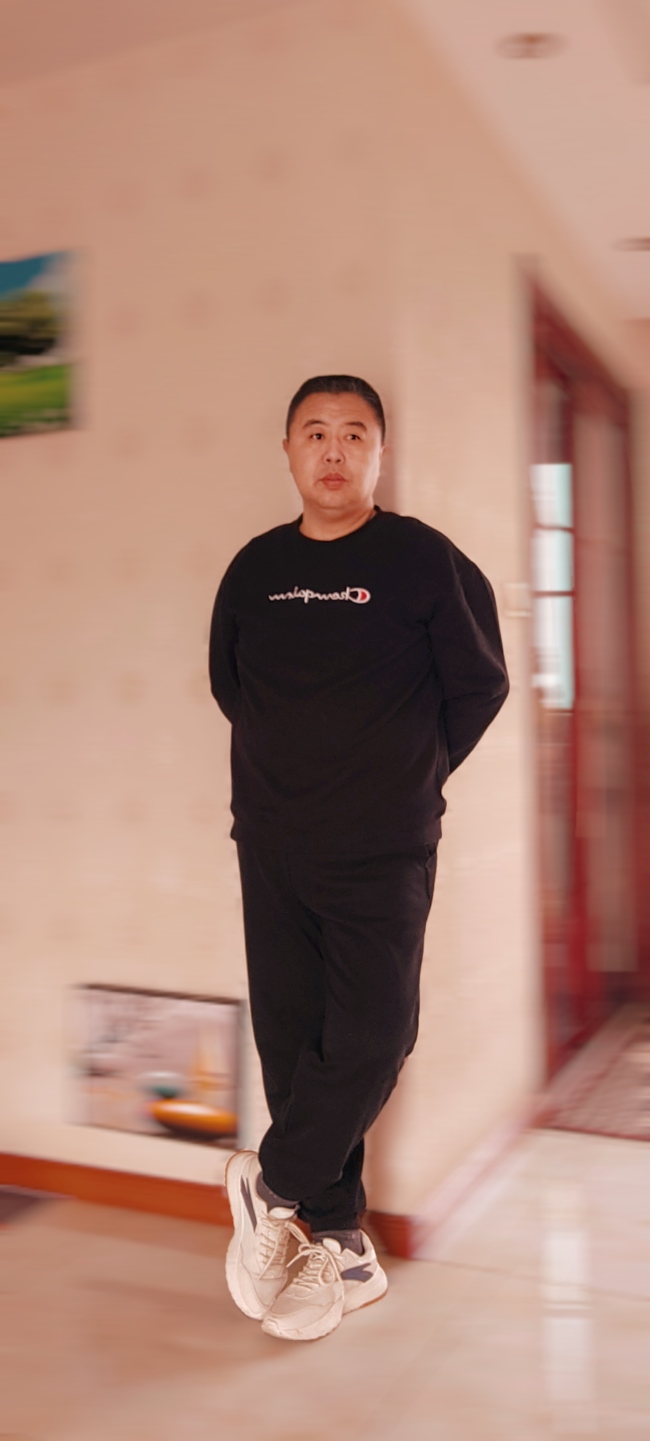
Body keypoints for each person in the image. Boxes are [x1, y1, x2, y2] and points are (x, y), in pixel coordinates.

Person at [209, 374, 509, 1342]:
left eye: (352, 433)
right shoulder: (255, 568)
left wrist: (402, 772)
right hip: (271, 838)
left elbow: (478, 685)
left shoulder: (421, 559)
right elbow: (231, 685)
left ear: (379, 453)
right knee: (294, 1043)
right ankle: (338, 1242)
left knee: (376, 1033)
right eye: (314, 432)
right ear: (289, 452)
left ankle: (274, 1185)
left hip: (382, 843)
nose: (332, 450)